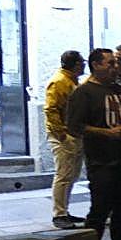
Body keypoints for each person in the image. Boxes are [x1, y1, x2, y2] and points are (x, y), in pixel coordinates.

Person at [65, 49, 121, 240]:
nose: (114, 68)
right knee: (99, 211)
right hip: (102, 161)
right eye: (110, 64)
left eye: (116, 64)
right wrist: (107, 133)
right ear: (96, 65)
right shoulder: (84, 93)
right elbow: (75, 126)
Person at [46, 51, 86, 228]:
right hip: (64, 135)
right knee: (63, 174)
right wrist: (61, 133)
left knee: (71, 174)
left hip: (72, 133)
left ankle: (64, 211)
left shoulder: (70, 80)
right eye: (82, 62)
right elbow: (51, 109)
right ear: (76, 64)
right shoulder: (60, 81)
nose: (84, 66)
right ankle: (59, 214)